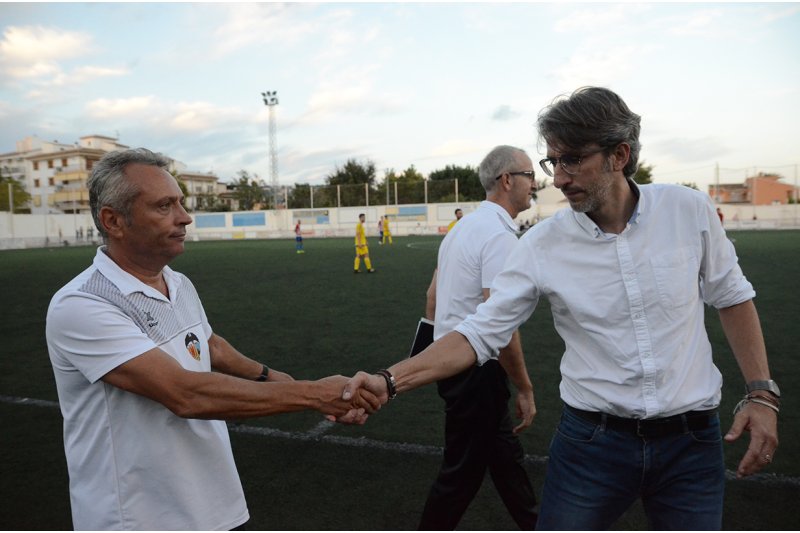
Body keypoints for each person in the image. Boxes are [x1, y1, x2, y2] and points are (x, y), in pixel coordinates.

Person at [344, 87, 778, 531]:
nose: (558, 178)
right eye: (553, 163)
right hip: (592, 446)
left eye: (572, 160)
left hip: (692, 444)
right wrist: (388, 381)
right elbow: (479, 333)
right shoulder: (540, 244)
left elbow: (732, 296)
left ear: (620, 155)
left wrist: (762, 394)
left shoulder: (689, 209)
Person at [45, 148, 379, 531]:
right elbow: (186, 394)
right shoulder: (82, 304)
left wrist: (276, 379)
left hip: (212, 505)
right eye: (164, 206)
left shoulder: (177, 281)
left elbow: (208, 344)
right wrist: (313, 394)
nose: (185, 217)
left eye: (181, 203)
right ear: (113, 221)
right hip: (139, 516)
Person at [419, 145, 539, 530]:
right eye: (529, 175)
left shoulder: (463, 227)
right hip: (476, 368)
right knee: (461, 473)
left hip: (455, 364)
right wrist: (524, 387)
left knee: (502, 457)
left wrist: (435, 358)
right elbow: (500, 325)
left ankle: (537, 521)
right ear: (507, 180)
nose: (535, 183)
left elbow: (432, 297)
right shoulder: (499, 236)